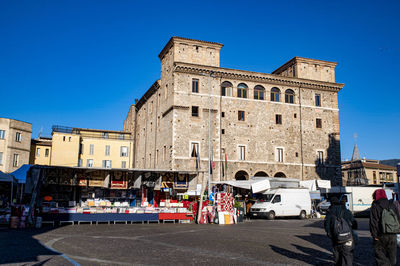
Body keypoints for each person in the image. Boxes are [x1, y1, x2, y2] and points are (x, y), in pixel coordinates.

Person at [370, 189, 400, 266]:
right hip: (392, 234)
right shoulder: (391, 204)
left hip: (381, 234)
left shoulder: (375, 205)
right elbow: (397, 218)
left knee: (380, 256)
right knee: (392, 255)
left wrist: (374, 235)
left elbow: (374, 221)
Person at [324, 197, 357, 266]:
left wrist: (331, 235)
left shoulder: (330, 212)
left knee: (337, 257)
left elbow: (327, 226)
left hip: (335, 238)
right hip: (347, 238)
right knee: (347, 257)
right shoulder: (346, 211)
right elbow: (354, 224)